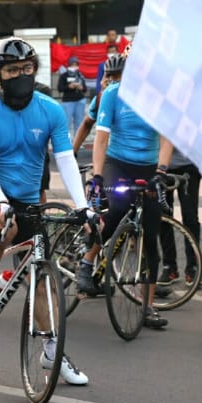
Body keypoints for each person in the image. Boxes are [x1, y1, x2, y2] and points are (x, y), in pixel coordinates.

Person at [0, 37, 98, 386]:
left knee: (41, 274)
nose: (21, 75)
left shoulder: (50, 110)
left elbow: (65, 158)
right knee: (2, 230)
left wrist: (83, 206)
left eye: (27, 68)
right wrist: (1, 202)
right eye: (12, 70)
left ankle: (52, 349)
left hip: (29, 196)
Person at [74, 54, 175, 329]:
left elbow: (168, 138)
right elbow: (102, 137)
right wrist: (97, 175)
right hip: (117, 164)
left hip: (148, 167)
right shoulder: (112, 94)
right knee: (116, 208)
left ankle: (148, 307)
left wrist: (161, 172)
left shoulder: (159, 97)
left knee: (151, 236)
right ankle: (87, 261)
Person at [157, 147, 202, 289]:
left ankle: (193, 267)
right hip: (161, 166)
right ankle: (169, 266)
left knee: (190, 217)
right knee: (163, 217)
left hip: (189, 165)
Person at [72, 51, 125, 151]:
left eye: (119, 76)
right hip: (115, 156)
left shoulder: (138, 96)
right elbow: (86, 124)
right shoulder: (102, 97)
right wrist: (73, 152)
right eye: (110, 76)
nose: (114, 80)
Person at [56, 56, 87, 138]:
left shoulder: (80, 75)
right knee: (66, 122)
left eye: (76, 65)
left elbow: (85, 89)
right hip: (67, 101)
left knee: (79, 123)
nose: (74, 66)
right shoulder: (64, 75)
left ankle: (77, 141)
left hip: (80, 101)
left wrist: (81, 87)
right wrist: (69, 86)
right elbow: (59, 88)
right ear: (69, 65)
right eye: (72, 64)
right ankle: (66, 141)